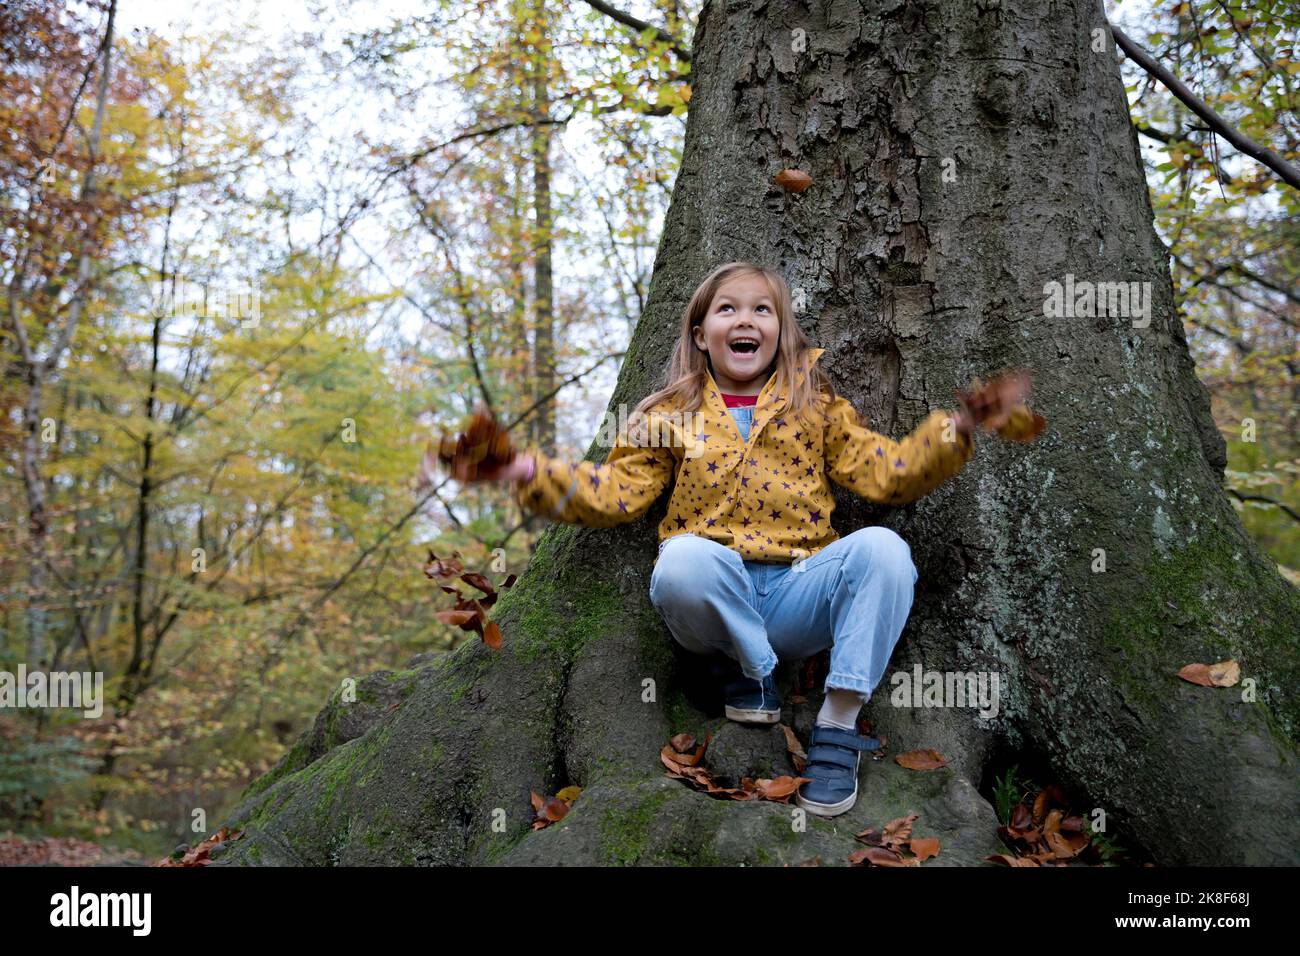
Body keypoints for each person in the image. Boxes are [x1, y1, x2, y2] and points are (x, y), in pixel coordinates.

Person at [463, 260, 1030, 817]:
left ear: (781, 334)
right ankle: (750, 670)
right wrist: (524, 473)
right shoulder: (668, 414)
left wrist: (956, 429)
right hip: (713, 600)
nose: (745, 320)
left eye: (763, 310)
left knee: (885, 550)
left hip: (798, 590)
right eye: (727, 309)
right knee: (681, 559)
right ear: (700, 334)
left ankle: (836, 725)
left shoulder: (816, 405)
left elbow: (888, 471)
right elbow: (613, 492)